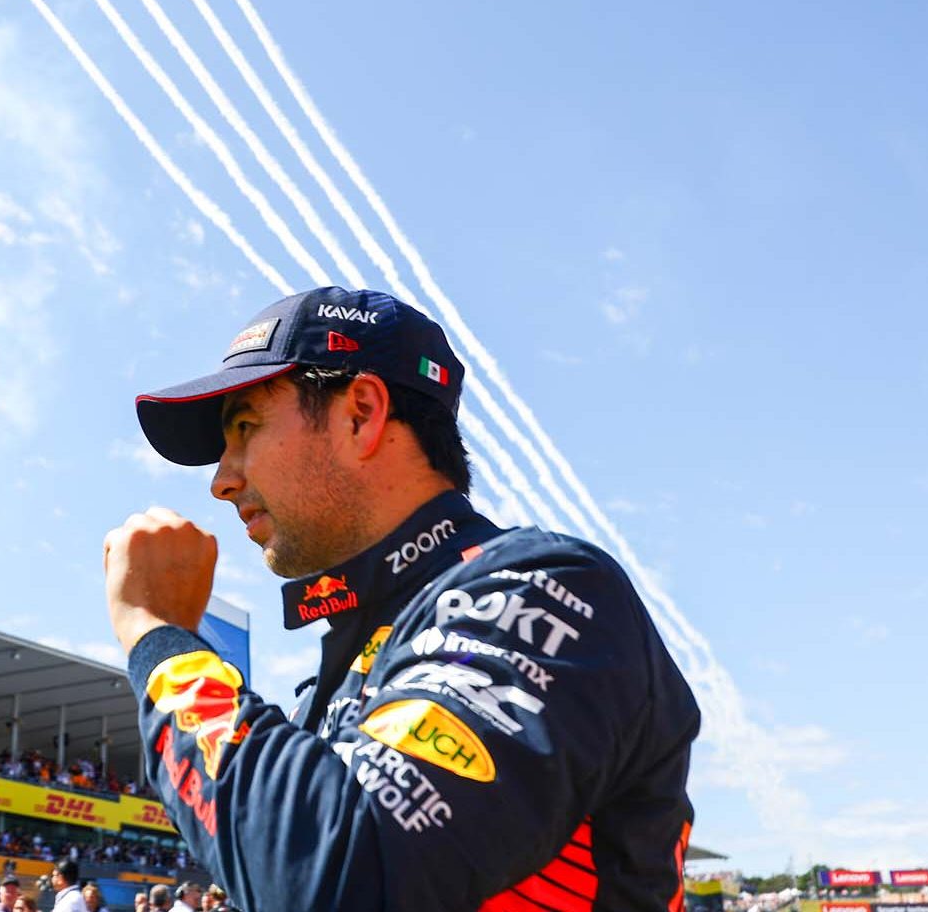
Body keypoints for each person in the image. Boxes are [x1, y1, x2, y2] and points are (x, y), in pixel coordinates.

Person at [111, 287, 702, 910]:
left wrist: (160, 638)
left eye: (245, 426)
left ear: (361, 413)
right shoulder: (366, 648)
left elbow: (339, 879)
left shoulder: (541, 588)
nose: (222, 481)